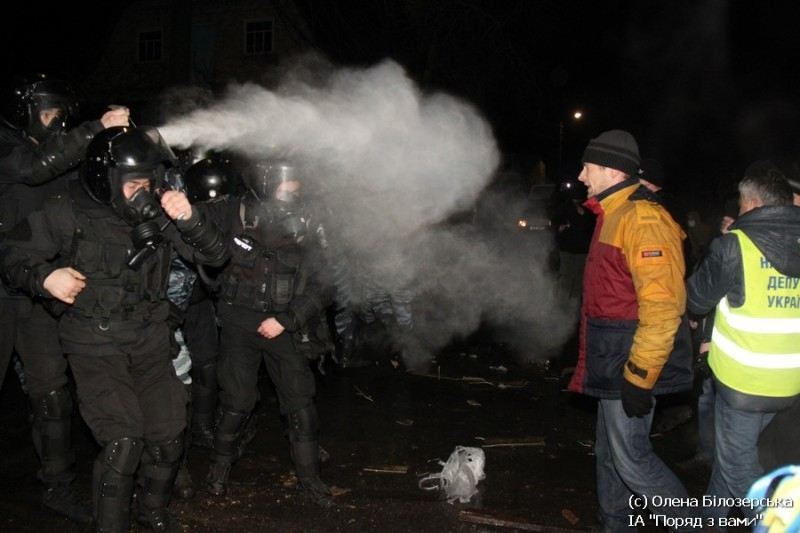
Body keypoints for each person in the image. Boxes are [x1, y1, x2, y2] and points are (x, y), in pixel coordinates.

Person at [0, 125, 228, 532]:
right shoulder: (65, 209)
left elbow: (214, 254)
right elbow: (12, 253)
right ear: (106, 177)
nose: (144, 192)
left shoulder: (156, 211)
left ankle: (152, 512)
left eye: (149, 182)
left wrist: (190, 218)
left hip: (150, 340)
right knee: (124, 441)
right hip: (94, 342)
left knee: (169, 435)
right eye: (134, 183)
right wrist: (44, 277)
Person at [0, 73, 129, 522]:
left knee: (52, 394)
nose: (56, 123)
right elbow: (34, 169)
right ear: (24, 111)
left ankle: (57, 486)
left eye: (60, 115)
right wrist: (94, 127)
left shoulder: (58, 153)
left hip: (39, 290)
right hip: (3, 286)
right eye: (48, 113)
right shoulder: (9, 147)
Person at [567, 130, 694, 532]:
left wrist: (639, 378)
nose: (582, 175)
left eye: (588, 167)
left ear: (610, 170)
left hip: (630, 365)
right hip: (613, 361)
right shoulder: (614, 213)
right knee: (609, 455)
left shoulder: (643, 218)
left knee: (633, 461)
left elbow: (662, 308)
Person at [203, 158, 335, 507]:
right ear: (265, 182)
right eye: (285, 182)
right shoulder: (234, 211)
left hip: (284, 324)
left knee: (300, 400)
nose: (294, 188)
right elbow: (195, 227)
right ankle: (218, 470)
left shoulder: (309, 222)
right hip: (238, 323)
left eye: (297, 181)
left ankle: (309, 479)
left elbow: (325, 284)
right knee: (237, 400)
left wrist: (289, 319)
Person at [686, 161, 800, 522]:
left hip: (743, 382)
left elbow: (696, 301)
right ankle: (711, 523)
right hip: (789, 381)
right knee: (733, 453)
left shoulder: (734, 246)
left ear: (751, 204)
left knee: (738, 465)